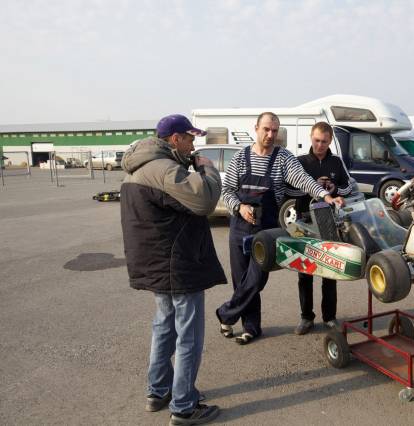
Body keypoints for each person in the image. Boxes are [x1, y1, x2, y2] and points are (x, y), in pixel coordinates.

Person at [120, 114, 227, 425]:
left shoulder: (140, 167)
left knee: (164, 327)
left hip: (158, 264)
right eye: (190, 138)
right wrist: (207, 168)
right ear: (175, 138)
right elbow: (205, 200)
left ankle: (158, 391)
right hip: (177, 265)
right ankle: (184, 406)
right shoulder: (164, 169)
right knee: (188, 335)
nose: (193, 145)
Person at [217, 112, 345, 345]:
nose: (270, 134)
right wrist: (239, 207)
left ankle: (226, 314)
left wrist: (326, 196)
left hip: (266, 230)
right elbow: (226, 191)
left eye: (274, 130)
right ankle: (251, 327)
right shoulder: (240, 157)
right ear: (256, 128)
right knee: (241, 280)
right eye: (266, 129)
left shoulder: (283, 157)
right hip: (240, 226)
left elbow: (303, 180)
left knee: (257, 279)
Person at [286, 122, 353, 335]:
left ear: (330, 140)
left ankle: (330, 318)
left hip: (329, 222)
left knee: (330, 270)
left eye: (324, 141)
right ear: (311, 137)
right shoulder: (299, 162)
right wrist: (312, 187)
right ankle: (306, 317)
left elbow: (349, 187)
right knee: (304, 272)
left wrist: (334, 188)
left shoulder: (336, 161)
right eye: (316, 140)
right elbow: (288, 191)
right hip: (303, 221)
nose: (320, 145)